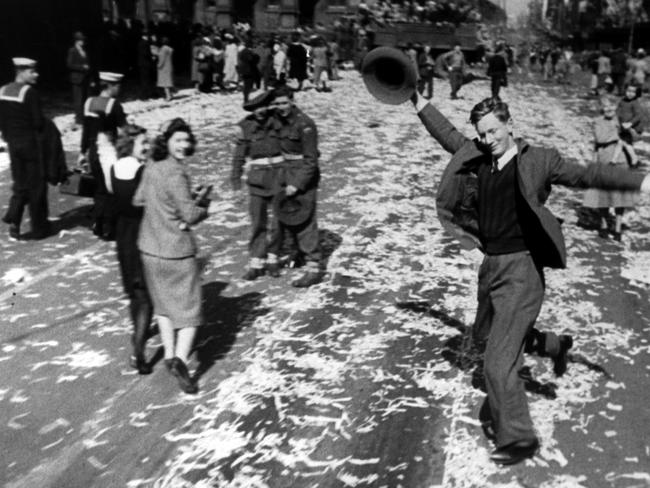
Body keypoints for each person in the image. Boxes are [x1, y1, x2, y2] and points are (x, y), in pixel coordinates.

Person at [410, 91, 650, 465]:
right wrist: (418, 101)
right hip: (491, 266)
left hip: (522, 269)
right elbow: (448, 136)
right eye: (482, 134)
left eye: (494, 131)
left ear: (510, 126)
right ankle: (554, 344)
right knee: (485, 336)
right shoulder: (477, 157)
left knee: (497, 361)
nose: (488, 140)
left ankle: (519, 439)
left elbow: (586, 173)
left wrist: (640, 182)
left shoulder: (538, 161)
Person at [133, 118, 210, 394]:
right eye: (178, 140)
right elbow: (189, 215)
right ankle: (180, 359)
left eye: (186, 140)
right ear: (167, 142)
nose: (184, 145)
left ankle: (167, 355)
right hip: (176, 252)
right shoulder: (177, 173)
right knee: (190, 312)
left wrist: (168, 205)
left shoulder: (152, 167)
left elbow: (139, 200)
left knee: (163, 306)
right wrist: (203, 205)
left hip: (149, 248)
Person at [97, 124, 153, 374]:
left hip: (124, 235)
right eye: (144, 143)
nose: (148, 147)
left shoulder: (115, 168)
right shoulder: (143, 171)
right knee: (146, 297)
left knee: (134, 292)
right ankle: (138, 351)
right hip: (144, 234)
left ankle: (138, 336)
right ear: (131, 145)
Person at [271, 86, 324, 288]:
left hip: (303, 175)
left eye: (284, 103)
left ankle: (314, 266)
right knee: (287, 216)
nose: (281, 107)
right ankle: (299, 253)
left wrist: (297, 183)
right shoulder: (276, 120)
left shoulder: (305, 124)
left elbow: (311, 160)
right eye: (277, 103)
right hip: (284, 172)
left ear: (292, 101)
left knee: (305, 220)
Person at [231, 90, 284, 280]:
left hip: (279, 178)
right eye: (255, 108)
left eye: (262, 106)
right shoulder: (245, 127)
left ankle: (273, 258)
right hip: (257, 181)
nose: (259, 111)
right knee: (257, 222)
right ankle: (256, 261)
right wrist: (236, 183)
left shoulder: (279, 121)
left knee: (278, 222)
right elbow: (238, 157)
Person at [0, 58, 50, 240]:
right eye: (32, 71)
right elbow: (37, 122)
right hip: (30, 145)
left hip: (13, 144)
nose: (36, 74)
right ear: (21, 71)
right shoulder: (30, 93)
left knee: (20, 184)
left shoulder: (3, 91)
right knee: (36, 186)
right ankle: (39, 228)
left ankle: (14, 219)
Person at [583, 96, 639, 241]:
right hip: (604, 158)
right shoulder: (598, 121)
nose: (608, 109)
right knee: (603, 194)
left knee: (619, 196)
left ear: (616, 107)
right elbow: (600, 138)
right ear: (601, 108)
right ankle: (603, 224)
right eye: (605, 106)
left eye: (611, 106)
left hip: (621, 161)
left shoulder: (621, 120)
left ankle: (618, 228)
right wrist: (616, 134)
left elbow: (634, 135)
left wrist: (629, 131)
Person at [81, 71, 127, 240]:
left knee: (99, 189)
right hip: (109, 151)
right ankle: (109, 227)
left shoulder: (89, 103)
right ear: (111, 86)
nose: (119, 88)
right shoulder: (114, 105)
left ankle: (97, 224)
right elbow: (124, 131)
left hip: (93, 151)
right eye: (118, 85)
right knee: (112, 189)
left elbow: (86, 130)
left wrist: (82, 152)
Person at [66, 31, 90, 125]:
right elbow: (69, 64)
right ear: (76, 41)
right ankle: (79, 119)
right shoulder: (72, 50)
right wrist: (82, 67)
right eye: (81, 40)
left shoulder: (84, 51)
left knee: (85, 98)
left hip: (85, 78)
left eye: (83, 40)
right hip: (77, 78)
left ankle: (84, 117)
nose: (83, 41)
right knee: (78, 100)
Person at [237, 39, 260, 103]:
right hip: (248, 70)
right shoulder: (247, 51)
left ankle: (246, 98)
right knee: (247, 85)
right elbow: (250, 59)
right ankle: (246, 99)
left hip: (243, 70)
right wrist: (255, 56)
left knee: (246, 85)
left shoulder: (242, 51)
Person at [156, 37, 174, 101]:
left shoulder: (163, 49)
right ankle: (171, 94)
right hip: (170, 66)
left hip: (164, 68)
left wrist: (158, 65)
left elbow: (162, 59)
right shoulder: (170, 49)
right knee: (169, 82)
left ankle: (168, 96)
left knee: (165, 83)